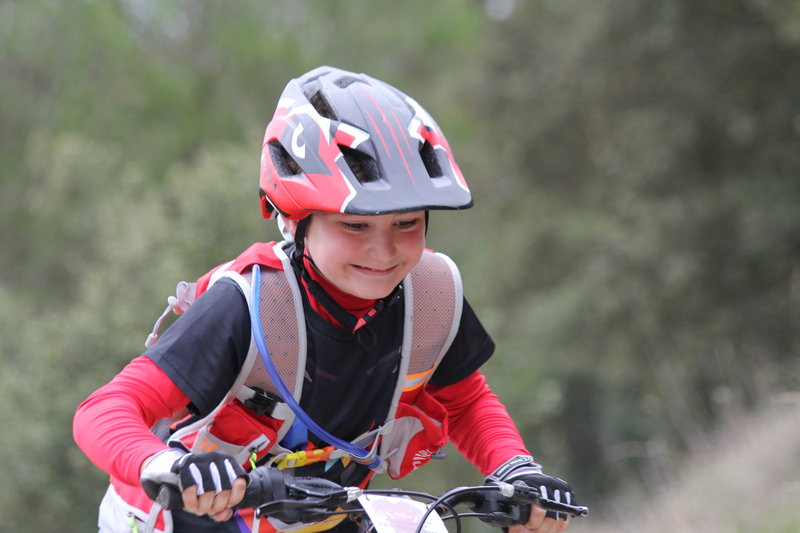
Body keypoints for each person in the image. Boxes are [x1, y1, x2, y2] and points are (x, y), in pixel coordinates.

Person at [74, 65, 578, 533]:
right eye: (355, 225)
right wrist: (164, 464)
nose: (384, 250)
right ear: (295, 218)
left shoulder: (431, 295)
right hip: (180, 521)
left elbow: (464, 401)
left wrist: (517, 472)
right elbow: (104, 410)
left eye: (406, 223)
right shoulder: (249, 304)